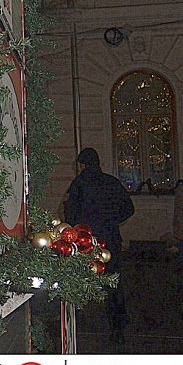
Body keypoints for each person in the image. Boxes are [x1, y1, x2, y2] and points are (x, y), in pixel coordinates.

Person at [63, 147, 135, 345]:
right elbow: (129, 208)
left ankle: (77, 321)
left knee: (80, 278)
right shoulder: (112, 182)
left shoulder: (78, 184)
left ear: (81, 165)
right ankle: (118, 324)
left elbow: (69, 213)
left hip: (86, 241)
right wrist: (112, 222)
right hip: (110, 239)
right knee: (113, 281)